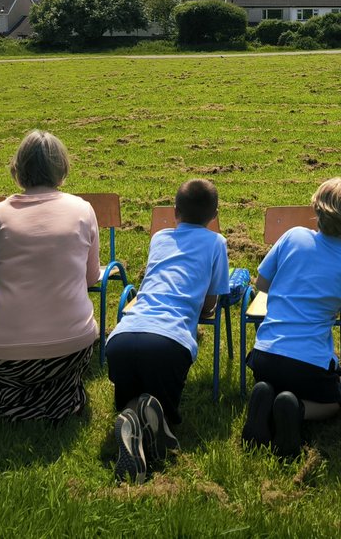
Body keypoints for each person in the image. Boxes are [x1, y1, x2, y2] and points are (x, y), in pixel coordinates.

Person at [106, 178, 229, 483]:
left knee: (132, 403)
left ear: (174, 211)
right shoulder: (217, 243)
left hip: (121, 338)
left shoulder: (159, 237)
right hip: (168, 343)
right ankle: (150, 435)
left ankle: (131, 422)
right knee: (159, 412)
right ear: (214, 215)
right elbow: (210, 304)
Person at [0, 130, 101, 423]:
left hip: (3, 354)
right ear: (61, 168)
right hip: (70, 346)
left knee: (4, 393)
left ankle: (16, 400)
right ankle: (57, 397)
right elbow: (91, 278)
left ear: (18, 169)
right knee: (58, 379)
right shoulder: (83, 210)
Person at [243, 177, 341, 457]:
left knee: (273, 380)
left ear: (316, 209)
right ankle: (296, 408)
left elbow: (261, 285)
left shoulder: (293, 236)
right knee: (335, 404)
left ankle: (266, 393)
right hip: (309, 365)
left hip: (265, 354)